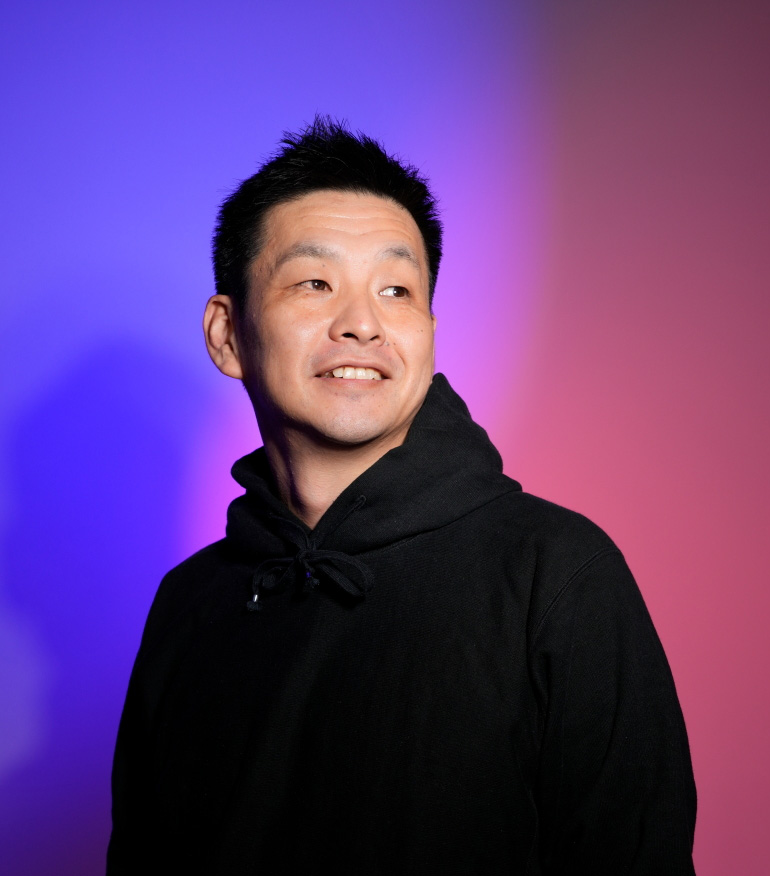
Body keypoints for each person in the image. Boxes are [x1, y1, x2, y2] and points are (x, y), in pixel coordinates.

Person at [108, 117, 696, 875]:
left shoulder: (556, 574)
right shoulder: (189, 605)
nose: (362, 324)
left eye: (396, 290)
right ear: (228, 334)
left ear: (429, 330)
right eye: (315, 283)